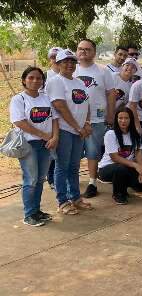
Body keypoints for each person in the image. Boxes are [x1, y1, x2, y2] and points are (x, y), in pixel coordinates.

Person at [45, 49, 93, 215]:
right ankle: (62, 201)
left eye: (72, 61)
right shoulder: (56, 81)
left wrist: (86, 123)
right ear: (58, 64)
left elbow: (86, 104)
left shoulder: (79, 82)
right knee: (62, 166)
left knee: (74, 166)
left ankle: (75, 197)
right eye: (65, 61)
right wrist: (77, 127)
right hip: (65, 130)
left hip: (79, 131)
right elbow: (60, 106)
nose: (69, 64)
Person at [10, 67, 59, 226]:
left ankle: (36, 211)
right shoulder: (19, 99)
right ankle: (29, 214)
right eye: (31, 78)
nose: (35, 81)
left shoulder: (46, 98)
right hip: (28, 144)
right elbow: (20, 122)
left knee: (39, 179)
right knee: (30, 179)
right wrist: (45, 136)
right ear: (24, 80)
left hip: (46, 144)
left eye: (38, 78)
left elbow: (54, 119)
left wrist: (55, 137)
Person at [73, 38, 115, 199]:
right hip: (75, 120)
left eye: (87, 49)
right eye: (80, 49)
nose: (83, 52)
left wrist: (110, 114)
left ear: (94, 52)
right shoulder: (72, 70)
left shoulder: (103, 71)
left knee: (92, 151)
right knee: (74, 152)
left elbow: (111, 93)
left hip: (97, 118)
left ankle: (92, 183)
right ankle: (73, 181)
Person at [97, 107, 142, 204]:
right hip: (107, 169)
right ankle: (119, 194)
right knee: (121, 168)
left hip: (127, 166)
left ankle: (124, 184)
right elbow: (115, 158)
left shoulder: (135, 134)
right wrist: (135, 165)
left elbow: (138, 153)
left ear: (131, 120)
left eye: (126, 118)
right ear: (116, 119)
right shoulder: (110, 134)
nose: (123, 121)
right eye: (120, 118)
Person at [44, 47, 61, 189]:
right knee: (52, 152)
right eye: (52, 57)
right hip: (50, 119)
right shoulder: (45, 75)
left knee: (62, 151)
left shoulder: (68, 75)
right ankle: (51, 179)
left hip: (66, 119)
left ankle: (60, 177)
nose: (55, 59)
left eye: (57, 56)